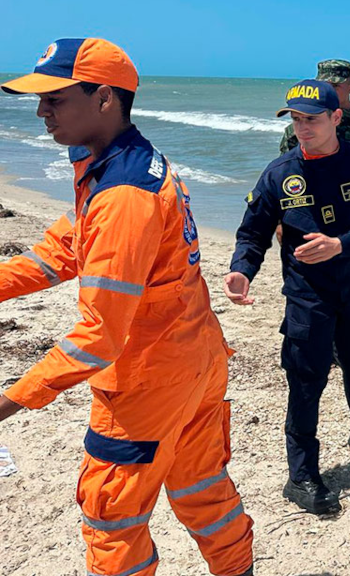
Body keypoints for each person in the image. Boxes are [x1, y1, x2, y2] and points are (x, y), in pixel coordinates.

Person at [0, 39, 254, 575]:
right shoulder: (118, 163)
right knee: (202, 485)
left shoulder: (122, 192)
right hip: (194, 357)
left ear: (105, 99)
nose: (41, 110)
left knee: (111, 513)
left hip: (148, 378)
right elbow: (63, 252)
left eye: (55, 98)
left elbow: (99, 335)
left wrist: (10, 401)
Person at [227, 79, 350, 515]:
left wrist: (341, 244)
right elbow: (253, 232)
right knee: (306, 377)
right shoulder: (280, 172)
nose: (302, 127)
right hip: (309, 293)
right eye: (295, 118)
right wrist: (241, 270)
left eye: (311, 118)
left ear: (335, 118)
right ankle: (302, 473)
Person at [280, 59, 350, 158]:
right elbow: (286, 170)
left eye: (335, 86)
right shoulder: (298, 129)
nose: (329, 90)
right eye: (324, 85)